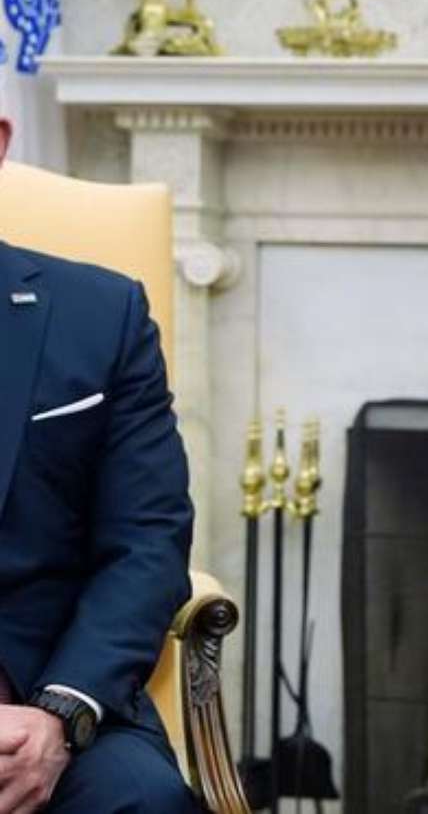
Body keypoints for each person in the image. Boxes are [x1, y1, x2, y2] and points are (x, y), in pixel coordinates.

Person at [0, 117, 197, 811]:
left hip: (49, 690)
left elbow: (147, 541)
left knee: (144, 800)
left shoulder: (103, 315)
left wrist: (60, 712)